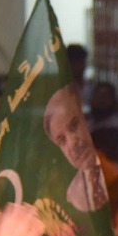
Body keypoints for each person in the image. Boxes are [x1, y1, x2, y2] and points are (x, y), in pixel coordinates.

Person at [44, 83, 109, 213]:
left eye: (74, 126)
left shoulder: (116, 179)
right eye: (62, 140)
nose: (73, 142)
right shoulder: (70, 197)